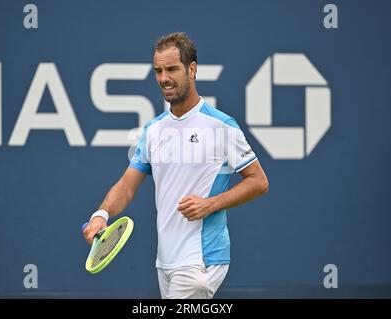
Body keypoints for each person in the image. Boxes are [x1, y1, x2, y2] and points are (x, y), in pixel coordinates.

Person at [83, 32, 269, 299]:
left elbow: (259, 182)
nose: (163, 78)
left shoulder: (221, 126)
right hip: (165, 262)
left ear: (192, 70)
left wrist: (210, 204)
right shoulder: (153, 130)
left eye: (172, 69)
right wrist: (101, 215)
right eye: (158, 70)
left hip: (201, 259)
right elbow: (126, 185)